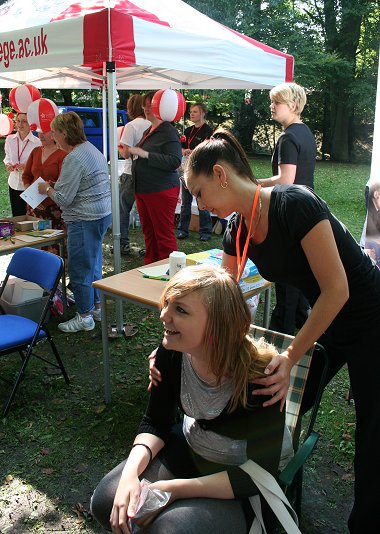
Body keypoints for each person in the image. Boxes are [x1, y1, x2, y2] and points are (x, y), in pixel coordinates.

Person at [180, 128, 380, 534]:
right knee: (279, 399)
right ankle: (265, 485)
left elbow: (337, 290)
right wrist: (179, 343)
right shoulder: (237, 229)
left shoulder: (295, 204)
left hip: (370, 315)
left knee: (372, 433)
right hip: (330, 317)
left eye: (198, 193)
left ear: (220, 174)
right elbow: (220, 295)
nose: (198, 204)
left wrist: (291, 356)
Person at [91, 265, 291, 534]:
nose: (163, 316)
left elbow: (258, 474)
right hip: (192, 448)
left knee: (170, 529)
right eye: (167, 304)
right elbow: (156, 422)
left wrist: (174, 490)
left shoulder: (262, 379)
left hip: (242, 478)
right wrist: (130, 473)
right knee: (107, 501)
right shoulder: (171, 353)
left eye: (180, 310)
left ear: (217, 325)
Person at [38, 112, 112, 333]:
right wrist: (57, 186)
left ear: (64, 133)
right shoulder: (91, 149)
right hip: (100, 215)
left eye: (55, 132)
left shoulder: (74, 157)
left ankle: (85, 316)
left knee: (80, 269)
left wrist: (47, 189)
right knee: (94, 264)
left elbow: (63, 199)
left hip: (84, 218)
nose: (53, 136)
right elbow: (78, 185)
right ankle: (96, 307)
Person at [258, 83, 316, 335]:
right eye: (272, 101)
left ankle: (279, 337)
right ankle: (307, 332)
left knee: (287, 281)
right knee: (300, 278)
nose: (272, 106)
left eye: (277, 102)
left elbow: (285, 179)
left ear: (292, 106)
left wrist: (256, 184)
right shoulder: (305, 132)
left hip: (290, 213)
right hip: (307, 209)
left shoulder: (289, 136)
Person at [128, 91, 182, 265]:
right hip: (144, 189)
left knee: (163, 234)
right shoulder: (148, 130)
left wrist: (144, 154)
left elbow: (174, 161)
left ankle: (169, 270)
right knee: (149, 233)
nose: (146, 109)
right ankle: (152, 265)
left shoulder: (168, 131)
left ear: (161, 107)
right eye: (145, 105)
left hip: (160, 190)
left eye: (150, 105)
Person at [117, 94, 151, 255]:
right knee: (146, 213)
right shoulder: (153, 124)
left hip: (130, 172)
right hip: (149, 174)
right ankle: (149, 246)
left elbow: (125, 153)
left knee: (124, 210)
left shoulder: (131, 126)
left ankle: (123, 243)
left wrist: (119, 146)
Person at [177, 103, 213, 242]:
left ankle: (206, 232)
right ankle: (182, 230)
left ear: (203, 113)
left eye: (195, 112)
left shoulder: (208, 130)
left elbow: (207, 149)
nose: (191, 114)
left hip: (200, 171)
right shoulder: (188, 130)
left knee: (201, 201)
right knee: (185, 202)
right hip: (186, 169)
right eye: (191, 112)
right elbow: (180, 147)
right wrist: (184, 151)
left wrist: (192, 151)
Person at [22, 130, 67, 230]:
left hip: (52, 207)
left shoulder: (63, 155)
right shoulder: (36, 151)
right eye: (39, 132)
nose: (40, 135)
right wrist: (32, 197)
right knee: (33, 240)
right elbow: (26, 176)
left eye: (44, 132)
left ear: (54, 133)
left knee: (52, 242)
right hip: (33, 206)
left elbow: (62, 183)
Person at [3, 112, 41, 216]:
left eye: (24, 121)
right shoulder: (10, 139)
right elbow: (7, 157)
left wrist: (26, 168)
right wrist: (8, 165)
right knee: (17, 216)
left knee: (31, 216)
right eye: (18, 121)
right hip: (14, 183)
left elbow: (39, 164)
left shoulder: (37, 142)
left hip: (29, 184)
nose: (20, 124)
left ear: (31, 124)